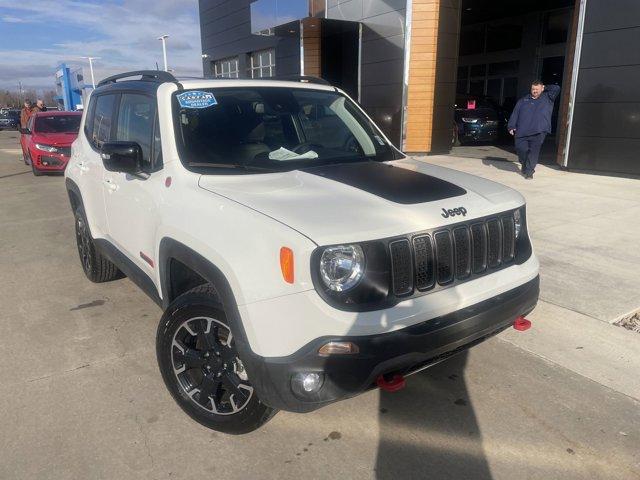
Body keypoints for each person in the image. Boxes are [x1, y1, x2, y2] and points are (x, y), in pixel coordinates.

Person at [507, 81, 561, 179]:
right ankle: (525, 164)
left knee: (533, 152)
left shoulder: (548, 97)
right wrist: (511, 126)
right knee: (521, 149)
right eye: (533, 89)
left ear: (542, 89)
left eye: (537, 89)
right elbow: (515, 114)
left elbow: (556, 88)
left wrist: (545, 86)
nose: (535, 91)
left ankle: (529, 172)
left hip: (539, 131)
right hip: (522, 131)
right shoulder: (523, 100)